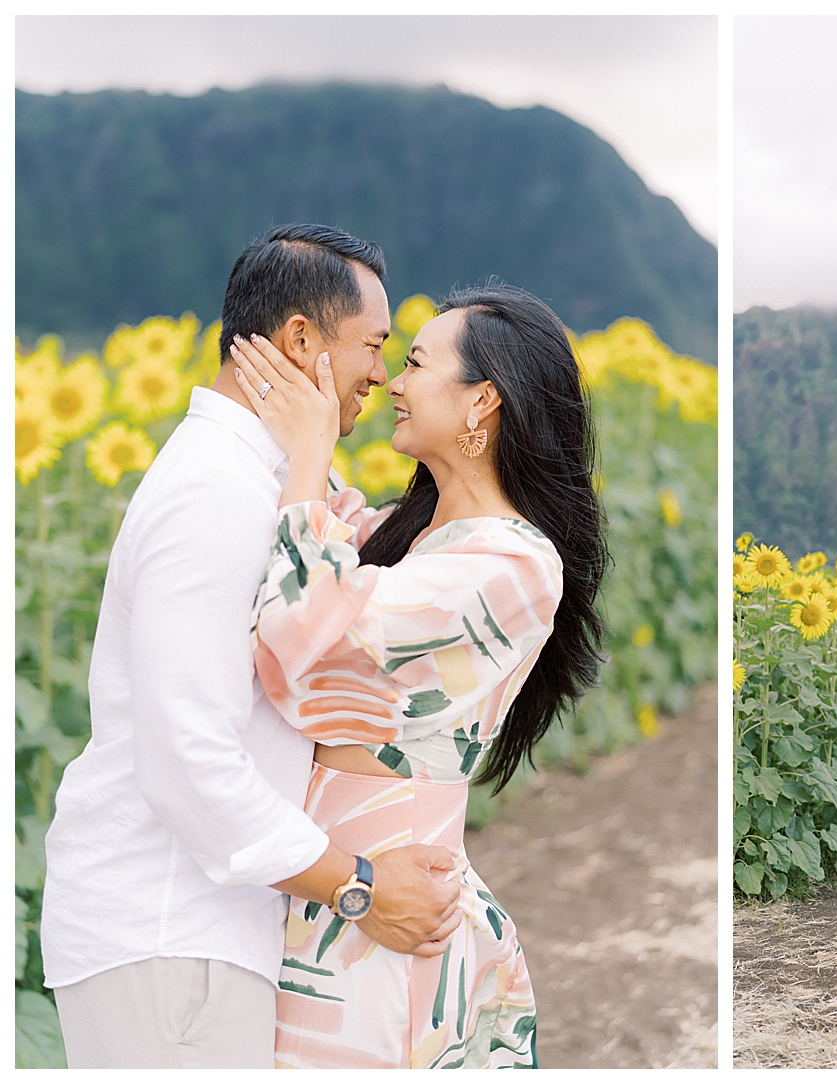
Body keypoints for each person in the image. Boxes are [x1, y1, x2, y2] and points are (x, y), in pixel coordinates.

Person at [42, 225, 462, 1069]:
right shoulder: (213, 495)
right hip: (167, 934)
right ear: (301, 340)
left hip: (198, 933)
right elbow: (186, 760)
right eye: (373, 346)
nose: (380, 376)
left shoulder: (269, 481)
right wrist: (362, 887)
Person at [228, 281, 607, 1068]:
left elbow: (300, 639)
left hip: (389, 913)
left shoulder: (515, 563)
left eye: (415, 364)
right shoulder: (405, 534)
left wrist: (309, 449)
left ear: (483, 401)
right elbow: (313, 537)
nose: (392, 383)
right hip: (326, 885)